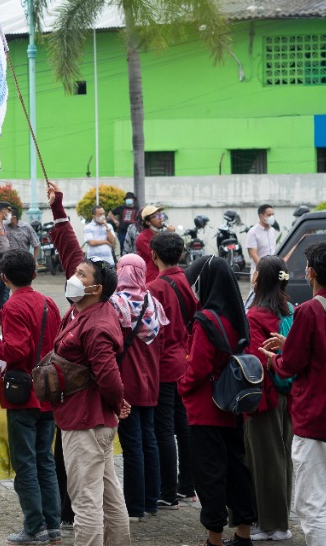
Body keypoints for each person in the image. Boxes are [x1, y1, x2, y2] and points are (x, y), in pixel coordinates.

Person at [260, 242, 326, 546]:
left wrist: (274, 359)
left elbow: (290, 364)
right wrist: (289, 343)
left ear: (312, 272)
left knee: (311, 505)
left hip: (316, 415)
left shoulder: (309, 309)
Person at [44, 181, 132, 546]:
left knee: (86, 503)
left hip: (86, 422)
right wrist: (59, 210)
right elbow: (70, 252)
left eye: (82, 276)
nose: (74, 276)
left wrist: (118, 401)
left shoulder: (96, 324)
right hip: (90, 421)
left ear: (96, 288)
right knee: (110, 497)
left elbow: (109, 376)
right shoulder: (85, 308)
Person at [0, 249, 63, 543]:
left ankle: (34, 526)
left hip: (24, 393)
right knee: (45, 461)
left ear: (3, 277)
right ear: (35, 274)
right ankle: (53, 524)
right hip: (49, 390)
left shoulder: (12, 307)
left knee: (25, 462)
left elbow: (16, 350)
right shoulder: (49, 303)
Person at [180, 256, 257, 546]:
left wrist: (181, 386)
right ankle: (243, 532)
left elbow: (197, 367)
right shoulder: (238, 316)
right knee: (237, 469)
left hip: (204, 407)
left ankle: (214, 538)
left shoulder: (206, 319)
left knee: (209, 474)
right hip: (232, 404)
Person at [112, 254, 169, 523]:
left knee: (132, 444)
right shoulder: (153, 303)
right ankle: (150, 502)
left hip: (127, 381)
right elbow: (163, 340)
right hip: (151, 380)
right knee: (150, 440)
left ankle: (134, 507)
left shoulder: (117, 303)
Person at [243, 255, 294, 542]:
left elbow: (253, 361)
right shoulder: (290, 309)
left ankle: (271, 523)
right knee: (282, 454)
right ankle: (281, 520)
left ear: (260, 279)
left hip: (264, 397)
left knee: (264, 460)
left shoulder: (256, 315)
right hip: (287, 391)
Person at [145, 231, 197, 510]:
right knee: (183, 424)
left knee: (162, 428)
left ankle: (167, 491)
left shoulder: (155, 287)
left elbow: (153, 332)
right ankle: (187, 486)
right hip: (185, 359)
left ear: (153, 255)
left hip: (163, 364)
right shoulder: (187, 281)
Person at [134, 206, 167, 285]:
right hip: (150, 277)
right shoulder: (142, 237)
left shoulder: (162, 234)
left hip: (163, 274)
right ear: (148, 222)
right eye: (156, 216)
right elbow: (157, 255)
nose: (160, 219)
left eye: (161, 215)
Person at [245, 205, 278, 272]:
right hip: (259, 271)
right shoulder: (253, 232)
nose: (271, 217)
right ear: (261, 216)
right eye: (269, 215)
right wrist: (264, 268)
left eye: (272, 214)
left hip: (272, 270)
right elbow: (253, 255)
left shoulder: (272, 230)